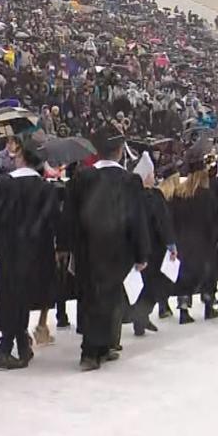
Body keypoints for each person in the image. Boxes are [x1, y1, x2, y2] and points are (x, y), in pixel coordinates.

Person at [59, 124, 151, 371]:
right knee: (111, 297)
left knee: (90, 296)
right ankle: (101, 346)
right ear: (120, 150)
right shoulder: (130, 181)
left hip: (88, 247)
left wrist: (65, 245)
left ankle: (92, 350)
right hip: (118, 249)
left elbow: (69, 215)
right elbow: (137, 219)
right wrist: (141, 252)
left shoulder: (83, 177)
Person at [0, 132, 59, 369]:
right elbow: (54, 221)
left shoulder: (4, 184)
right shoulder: (45, 189)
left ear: (21, 156)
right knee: (23, 297)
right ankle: (13, 346)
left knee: (12, 297)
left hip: (9, 251)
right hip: (37, 252)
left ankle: (11, 346)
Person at [167, 141, 218, 323]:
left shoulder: (180, 193)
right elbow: (212, 219)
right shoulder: (206, 195)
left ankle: (184, 308)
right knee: (206, 272)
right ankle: (209, 305)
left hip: (184, 239)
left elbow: (173, 218)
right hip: (203, 240)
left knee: (185, 273)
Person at [129, 153, 176, 337]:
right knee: (155, 284)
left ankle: (140, 317)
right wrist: (170, 243)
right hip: (154, 246)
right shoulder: (154, 196)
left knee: (142, 284)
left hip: (137, 246)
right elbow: (163, 221)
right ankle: (141, 314)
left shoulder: (131, 196)